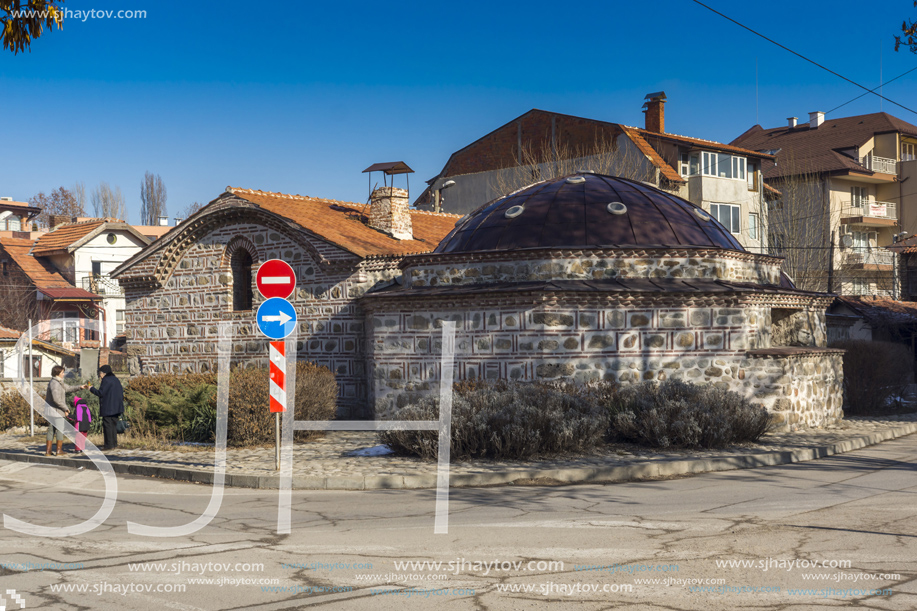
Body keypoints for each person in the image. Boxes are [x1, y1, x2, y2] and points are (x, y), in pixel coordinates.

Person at [84, 365, 124, 450]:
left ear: (104, 373)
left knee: (107, 426)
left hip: (108, 407)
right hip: (117, 407)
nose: (100, 376)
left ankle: (108, 445)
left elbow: (101, 393)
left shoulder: (106, 380)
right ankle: (114, 444)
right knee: (113, 426)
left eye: (100, 373)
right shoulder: (116, 379)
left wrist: (91, 388)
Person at [44, 365, 80, 456]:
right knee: (60, 430)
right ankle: (59, 451)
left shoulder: (58, 382)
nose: (64, 374)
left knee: (51, 430)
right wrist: (66, 408)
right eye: (62, 372)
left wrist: (80, 387)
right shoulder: (55, 384)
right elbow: (56, 399)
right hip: (56, 411)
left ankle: (48, 451)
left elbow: (68, 388)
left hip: (51, 411)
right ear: (57, 373)